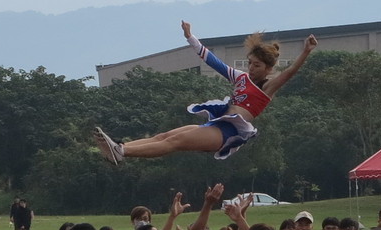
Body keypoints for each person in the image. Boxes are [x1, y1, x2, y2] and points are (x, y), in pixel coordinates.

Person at [95, 22, 318, 163]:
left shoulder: (267, 89)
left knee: (176, 142)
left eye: (257, 65)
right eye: (250, 63)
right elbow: (212, 61)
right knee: (165, 136)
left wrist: (305, 51)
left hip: (226, 133)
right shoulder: (241, 78)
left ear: (268, 69)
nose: (251, 68)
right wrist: (190, 37)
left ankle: (122, 152)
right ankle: (120, 147)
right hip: (215, 125)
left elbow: (290, 72)